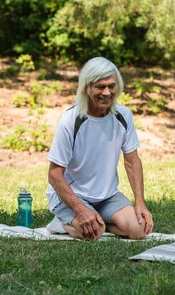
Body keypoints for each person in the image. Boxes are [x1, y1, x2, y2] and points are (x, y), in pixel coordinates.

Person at [46, 56, 153, 240]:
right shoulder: (71, 120)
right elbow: (55, 175)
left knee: (139, 230)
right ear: (86, 88)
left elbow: (132, 161)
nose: (106, 92)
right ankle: (60, 223)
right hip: (72, 196)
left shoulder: (123, 116)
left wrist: (140, 203)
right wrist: (80, 210)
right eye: (99, 86)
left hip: (106, 197)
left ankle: (99, 221)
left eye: (111, 86)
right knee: (91, 232)